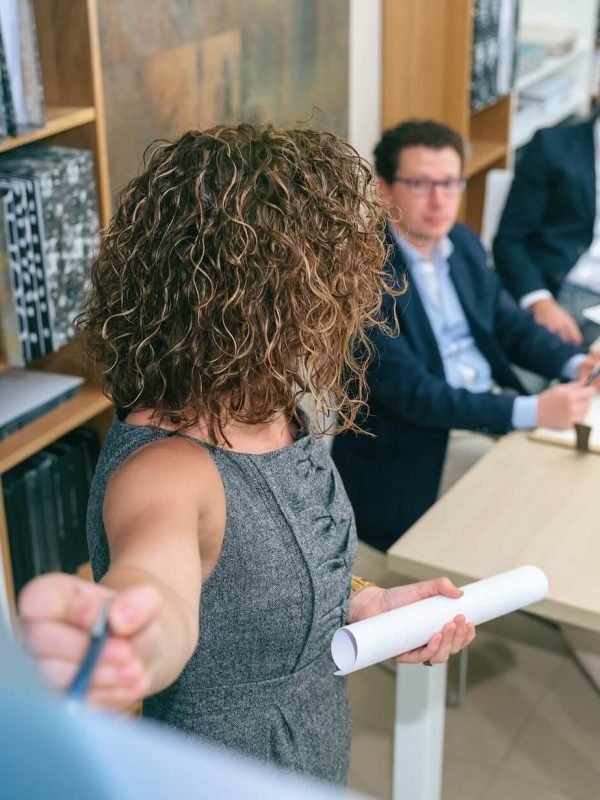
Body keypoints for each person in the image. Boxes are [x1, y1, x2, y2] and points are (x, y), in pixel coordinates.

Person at [17, 123, 475, 787]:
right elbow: (159, 591)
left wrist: (361, 604)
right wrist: (123, 637)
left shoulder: (274, 401)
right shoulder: (166, 470)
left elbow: (250, 577)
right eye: (322, 274)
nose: (342, 297)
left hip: (311, 753)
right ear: (248, 296)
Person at [331, 119, 600, 554]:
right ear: (384, 190)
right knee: (545, 511)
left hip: (485, 413)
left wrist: (575, 363)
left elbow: (510, 326)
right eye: (420, 184)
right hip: (425, 448)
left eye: (450, 183)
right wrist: (531, 409)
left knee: (573, 495)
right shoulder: (362, 276)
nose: (439, 200)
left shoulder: (462, 243)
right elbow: (419, 396)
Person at [493, 115, 600, 347]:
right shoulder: (551, 146)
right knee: (521, 380)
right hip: (555, 293)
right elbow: (509, 240)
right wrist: (539, 301)